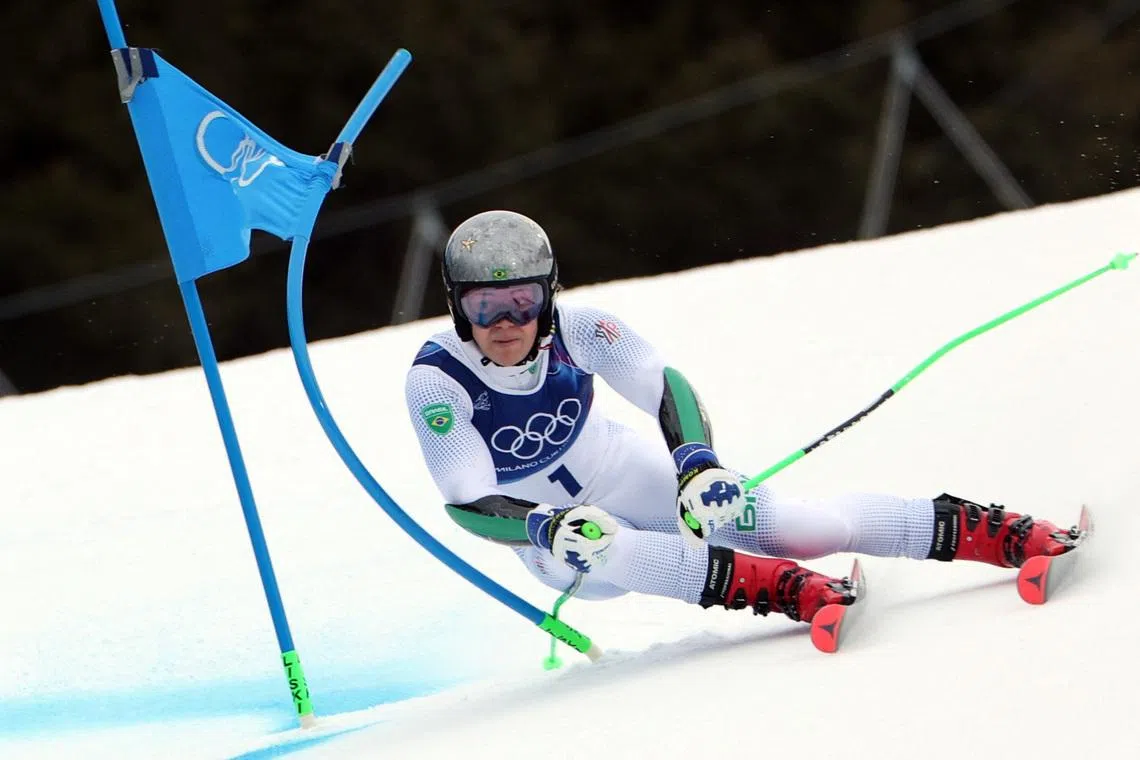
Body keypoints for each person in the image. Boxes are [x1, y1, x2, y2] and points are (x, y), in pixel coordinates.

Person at [404, 210, 1080, 625]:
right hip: (551, 542)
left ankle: (998, 533)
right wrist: (543, 526)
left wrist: (696, 463)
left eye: (520, 302)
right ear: (458, 306)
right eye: (485, 307)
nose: (506, 324)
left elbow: (661, 384)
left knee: (797, 524)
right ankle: (790, 594)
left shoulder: (584, 328)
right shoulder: (439, 381)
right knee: (607, 544)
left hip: (621, 470)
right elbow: (466, 500)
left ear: (549, 294)